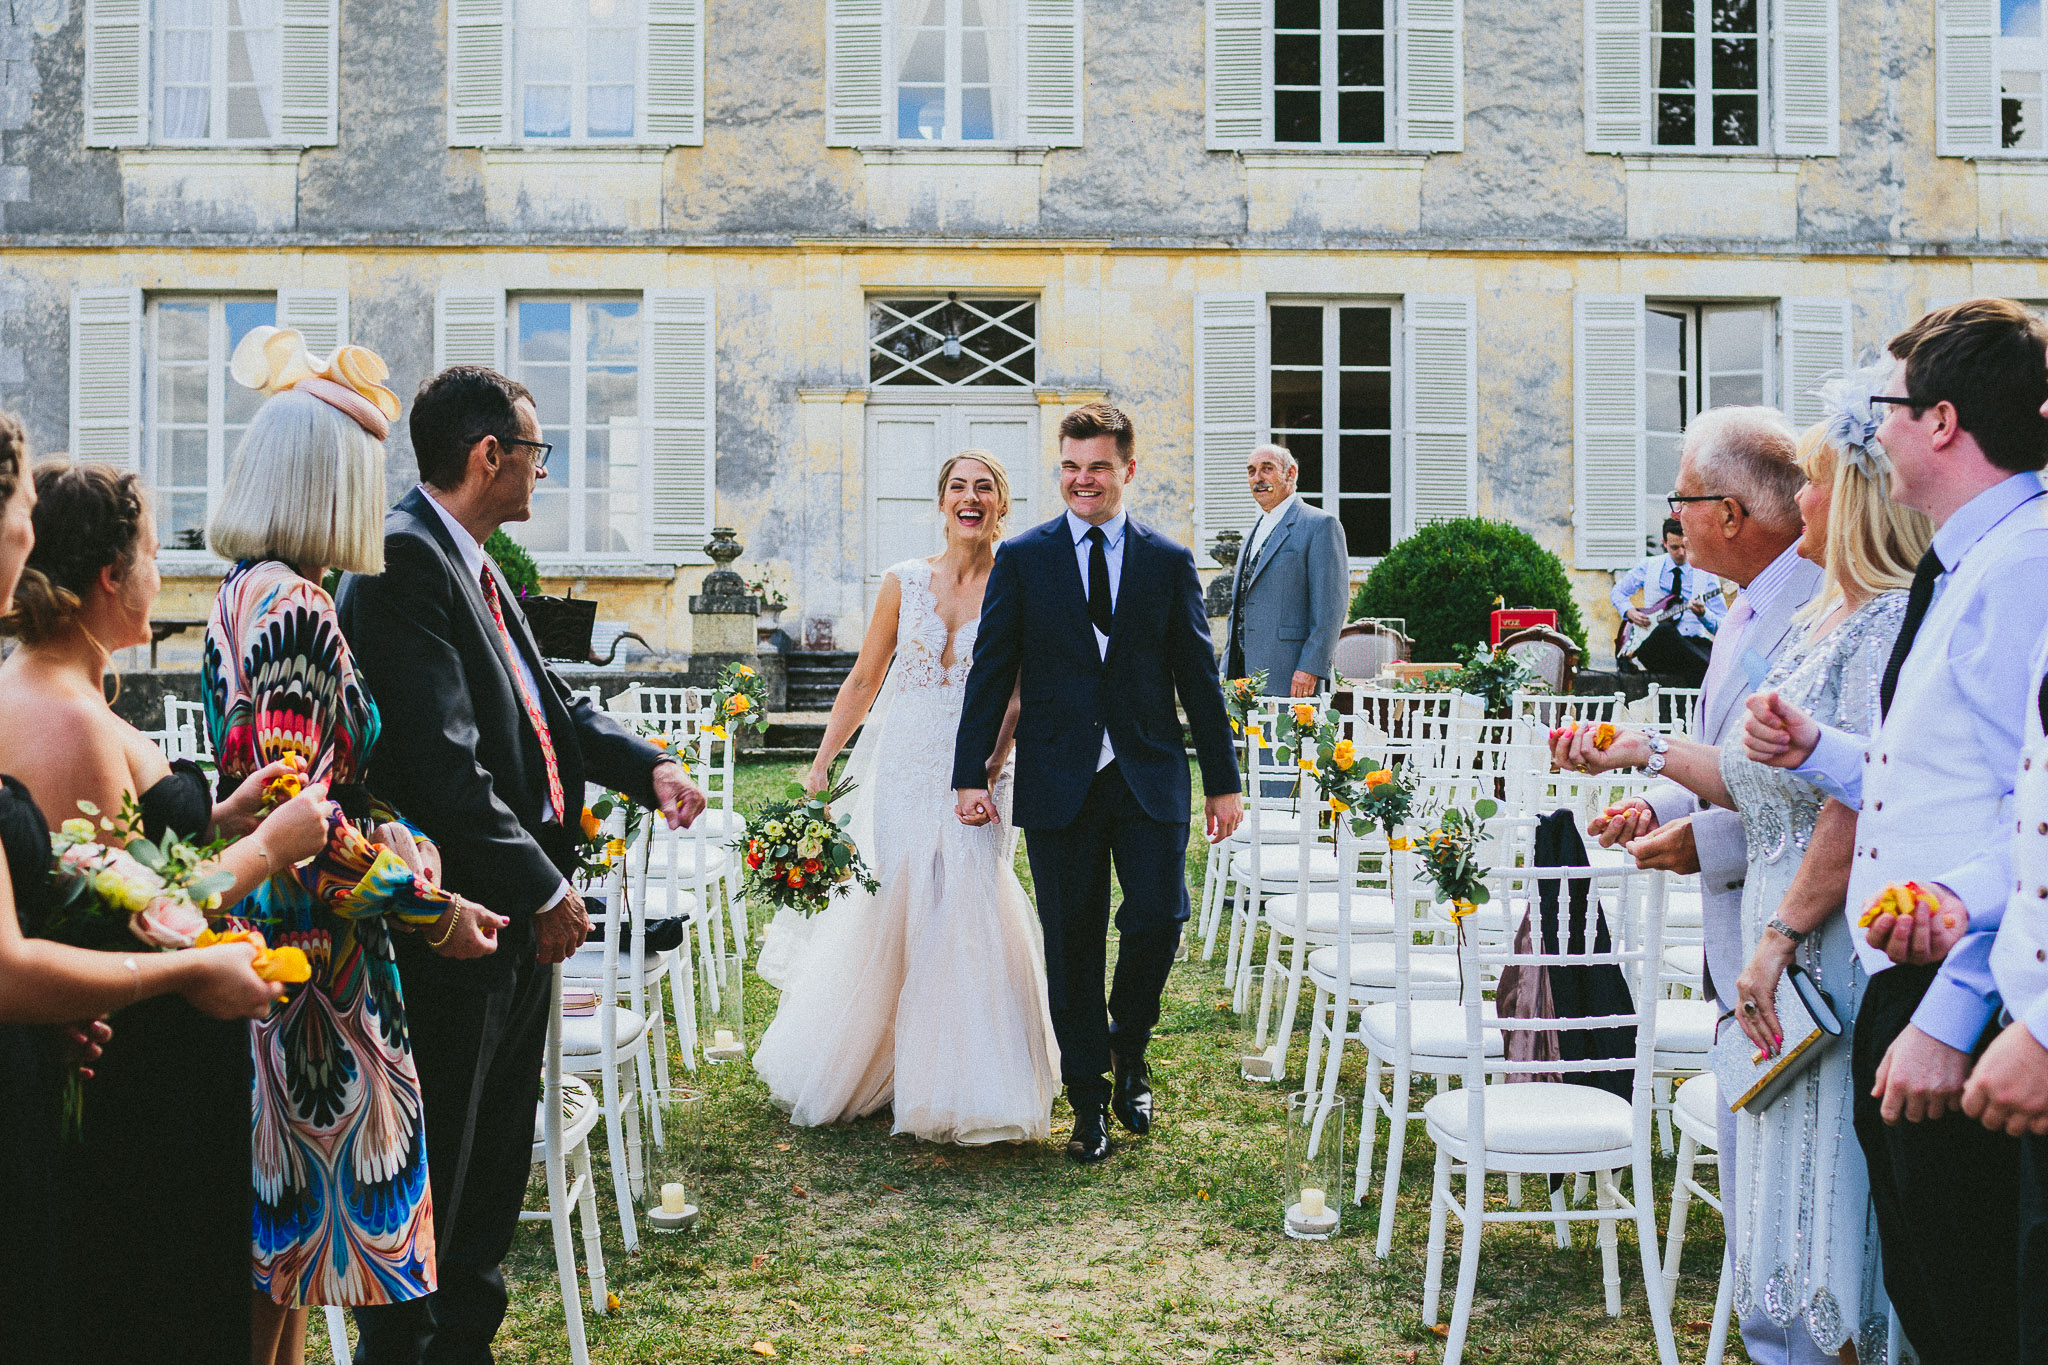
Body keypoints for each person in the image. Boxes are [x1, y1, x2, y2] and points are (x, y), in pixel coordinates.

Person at [337, 365, 704, 1364]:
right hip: (456, 921)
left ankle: (467, 1345)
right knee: (446, 1170)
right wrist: (543, 887)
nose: (543, 469)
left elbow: (549, 706)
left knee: (493, 1165)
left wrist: (649, 764)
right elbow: (437, 767)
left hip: (511, 918)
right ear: (486, 456)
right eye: (534, 452)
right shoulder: (402, 562)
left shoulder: (476, 558)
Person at [1559, 411, 1930, 1363]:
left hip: (1815, 943)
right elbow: (1756, 771)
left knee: (1829, 1212)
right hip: (1764, 929)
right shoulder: (1808, 610)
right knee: (1774, 1206)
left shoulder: (1866, 615)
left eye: (1812, 481)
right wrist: (1654, 776)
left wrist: (1764, 913)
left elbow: (1847, 804)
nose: (1798, 496)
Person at [1743, 299, 2048, 1365]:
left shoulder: (2022, 568)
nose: (1871, 433)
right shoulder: (1965, 560)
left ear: (1942, 423)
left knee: (1972, 1313)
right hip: (1911, 971)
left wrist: (1952, 1008)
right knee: (1939, 1300)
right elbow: (1937, 774)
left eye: (1886, 408)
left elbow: (2033, 812)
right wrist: (1815, 750)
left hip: (1957, 982)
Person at [202, 330, 508, 1365]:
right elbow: (304, 828)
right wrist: (435, 908)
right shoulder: (297, 609)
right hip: (314, 969)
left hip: (275, 944)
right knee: (291, 1241)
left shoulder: (238, 593)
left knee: (279, 1250)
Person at [0, 457, 335, 1364]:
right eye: (152, 553)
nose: (162, 571)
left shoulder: (63, 686)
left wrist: (219, 816)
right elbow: (136, 914)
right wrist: (271, 846)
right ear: (110, 576)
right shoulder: (66, 715)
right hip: (143, 1074)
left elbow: (115, 863)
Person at [1576, 405, 1825, 1365]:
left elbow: (1810, 795)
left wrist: (1705, 839)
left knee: (1779, 1184)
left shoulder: (1804, 609)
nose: (1672, 520)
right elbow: (1735, 765)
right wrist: (1662, 812)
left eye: (1681, 498)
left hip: (1781, 940)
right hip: (1739, 929)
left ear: (1725, 509)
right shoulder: (1751, 598)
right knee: (1755, 1176)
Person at [951, 402, 1243, 1163]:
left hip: (1148, 773)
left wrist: (1223, 780)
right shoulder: (1024, 556)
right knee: (1071, 941)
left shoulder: (1168, 561)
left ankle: (1129, 1046)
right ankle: (1088, 1100)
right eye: (1073, 467)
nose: (1085, 480)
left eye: (1100, 467)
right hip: (1057, 777)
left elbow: (1199, 682)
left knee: (1159, 915)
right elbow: (992, 670)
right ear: (1061, 471)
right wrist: (967, 771)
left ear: (1128, 470)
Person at [753, 449, 1059, 1143]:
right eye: (958, 487)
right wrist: (823, 763)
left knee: (969, 902)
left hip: (980, 770)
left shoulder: (1023, 581)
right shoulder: (902, 581)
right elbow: (864, 679)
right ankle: (882, 1061)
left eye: (985, 487)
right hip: (905, 764)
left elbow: (1017, 692)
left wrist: (987, 768)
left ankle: (963, 1081)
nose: (970, 498)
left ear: (1001, 505)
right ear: (942, 501)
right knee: (898, 899)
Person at [1222, 444, 1349, 698]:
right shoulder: (1253, 532)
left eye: (1267, 469)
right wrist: (1227, 666)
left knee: (1285, 740)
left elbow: (1330, 611)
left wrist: (1310, 668)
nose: (1258, 478)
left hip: (1291, 677)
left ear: (1291, 473)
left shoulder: (1321, 525)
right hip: (1242, 677)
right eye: (1251, 471)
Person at [1610, 516, 1725, 683]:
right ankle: (1706, 670)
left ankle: (1703, 673)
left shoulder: (1706, 573)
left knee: (1708, 654)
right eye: (1674, 547)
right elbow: (1618, 593)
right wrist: (1629, 611)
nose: (1681, 553)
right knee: (1665, 631)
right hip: (1657, 644)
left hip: (1691, 645)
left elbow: (1722, 626)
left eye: (1685, 546)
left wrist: (1703, 614)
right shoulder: (1649, 565)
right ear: (1664, 543)